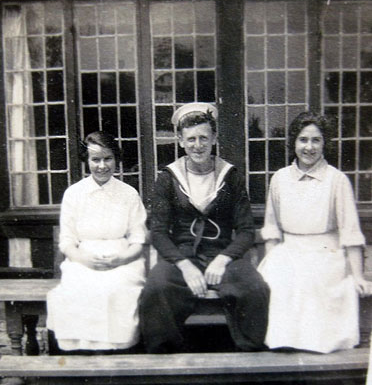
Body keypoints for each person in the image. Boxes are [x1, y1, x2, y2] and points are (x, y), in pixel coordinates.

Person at [139, 102, 270, 353]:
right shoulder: (168, 177)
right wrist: (184, 265)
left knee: (255, 289)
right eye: (191, 139)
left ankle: (251, 358)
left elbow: (245, 231)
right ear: (180, 141)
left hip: (222, 253)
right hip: (182, 255)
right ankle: (164, 360)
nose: (197, 145)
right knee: (157, 288)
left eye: (203, 138)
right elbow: (158, 232)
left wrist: (223, 259)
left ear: (214, 138)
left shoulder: (230, 176)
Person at [258, 111, 372, 354]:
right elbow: (271, 228)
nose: (308, 147)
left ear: (324, 144)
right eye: (303, 140)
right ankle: (283, 347)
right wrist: (271, 260)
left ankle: (317, 349)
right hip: (288, 251)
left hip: (327, 253)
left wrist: (359, 276)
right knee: (278, 278)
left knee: (312, 280)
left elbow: (351, 233)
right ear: (293, 143)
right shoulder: (279, 179)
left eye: (315, 140)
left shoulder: (337, 180)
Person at [47, 131, 148, 352]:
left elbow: (138, 240)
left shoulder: (129, 194)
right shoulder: (74, 194)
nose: (102, 166)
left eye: (108, 159)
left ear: (116, 159)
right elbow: (67, 241)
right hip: (83, 259)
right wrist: (85, 260)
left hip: (122, 259)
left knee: (117, 289)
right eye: (96, 159)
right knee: (79, 288)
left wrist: (121, 259)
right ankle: (84, 353)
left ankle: (119, 352)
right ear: (87, 161)